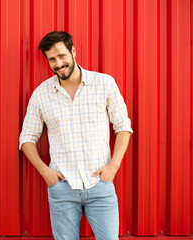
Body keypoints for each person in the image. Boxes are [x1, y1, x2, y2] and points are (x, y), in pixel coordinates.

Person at [19, 31, 133, 240]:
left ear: (73, 51)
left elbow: (123, 127)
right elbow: (26, 139)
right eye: (52, 59)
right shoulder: (41, 94)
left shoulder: (104, 84)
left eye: (62, 55)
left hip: (100, 184)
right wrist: (46, 172)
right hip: (62, 189)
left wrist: (113, 166)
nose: (58, 63)